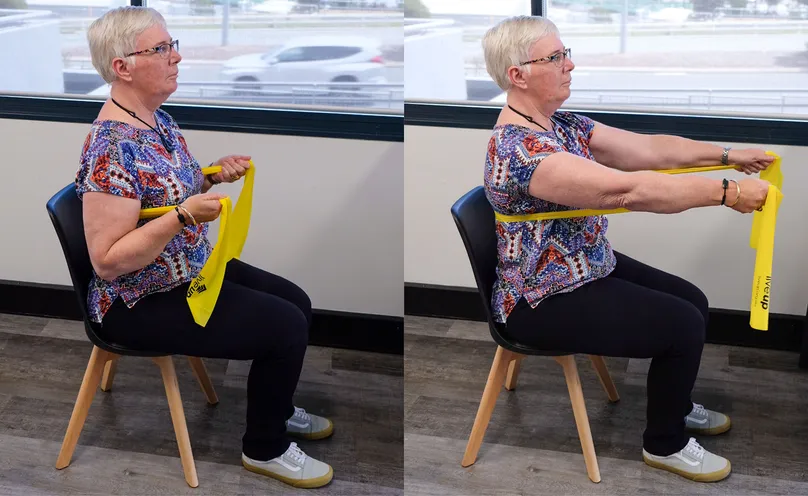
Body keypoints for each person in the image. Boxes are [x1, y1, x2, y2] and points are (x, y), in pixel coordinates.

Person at [481, 15, 774, 483]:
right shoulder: (521, 151)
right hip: (539, 297)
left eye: (565, 53)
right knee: (681, 326)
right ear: (518, 75)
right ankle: (664, 444)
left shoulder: (561, 125)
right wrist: (728, 193)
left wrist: (727, 155)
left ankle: (675, 404)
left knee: (693, 301)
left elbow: (648, 152)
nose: (569, 64)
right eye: (555, 58)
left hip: (585, 265)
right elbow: (628, 191)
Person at [76, 7, 333, 489]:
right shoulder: (110, 148)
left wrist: (211, 175)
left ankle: (276, 408)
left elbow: (166, 191)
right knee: (284, 327)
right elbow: (107, 262)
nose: (176, 57)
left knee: (296, 301)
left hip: (185, 270)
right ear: (122, 66)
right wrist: (183, 215)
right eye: (161, 49)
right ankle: (265, 448)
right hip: (137, 300)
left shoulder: (154, 120)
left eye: (172, 45)